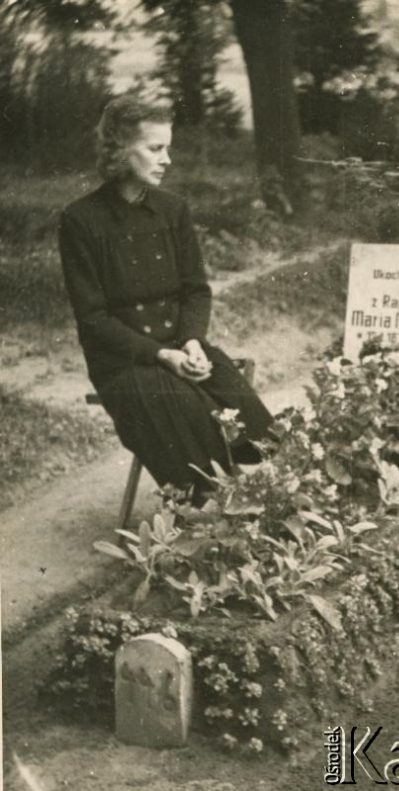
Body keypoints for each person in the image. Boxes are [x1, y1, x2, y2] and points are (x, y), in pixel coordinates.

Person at [58, 93, 273, 498]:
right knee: (191, 416)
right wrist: (162, 356)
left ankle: (244, 510)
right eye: (155, 148)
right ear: (120, 151)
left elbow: (195, 291)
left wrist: (191, 341)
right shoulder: (81, 221)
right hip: (124, 364)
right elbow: (93, 319)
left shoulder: (173, 210)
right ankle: (209, 511)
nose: (167, 160)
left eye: (168, 148)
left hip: (181, 346)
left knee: (257, 425)